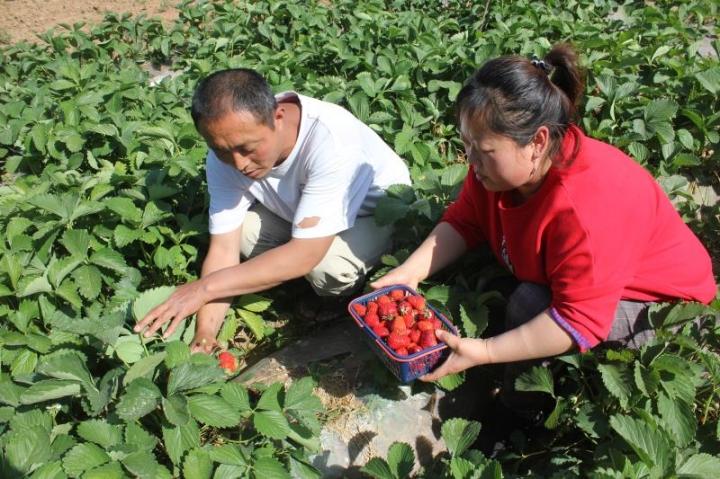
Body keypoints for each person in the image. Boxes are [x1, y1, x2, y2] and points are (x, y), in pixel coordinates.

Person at [371, 44, 716, 390]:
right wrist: (407, 273)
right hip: (587, 281)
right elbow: (466, 219)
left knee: (530, 303)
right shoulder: (499, 172)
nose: (471, 161)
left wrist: (485, 350)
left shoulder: (585, 208)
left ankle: (517, 414)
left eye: (485, 150)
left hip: (663, 309)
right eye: (467, 144)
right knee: (503, 287)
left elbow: (578, 317)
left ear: (537, 141)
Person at [134, 68, 411, 352]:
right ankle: (287, 277)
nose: (239, 164)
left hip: (377, 214)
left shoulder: (332, 141)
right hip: (302, 213)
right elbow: (223, 250)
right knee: (243, 234)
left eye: (248, 149)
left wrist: (202, 289)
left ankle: (346, 292)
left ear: (278, 117)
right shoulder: (227, 150)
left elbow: (305, 256)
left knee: (327, 267)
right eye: (221, 151)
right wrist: (205, 333)